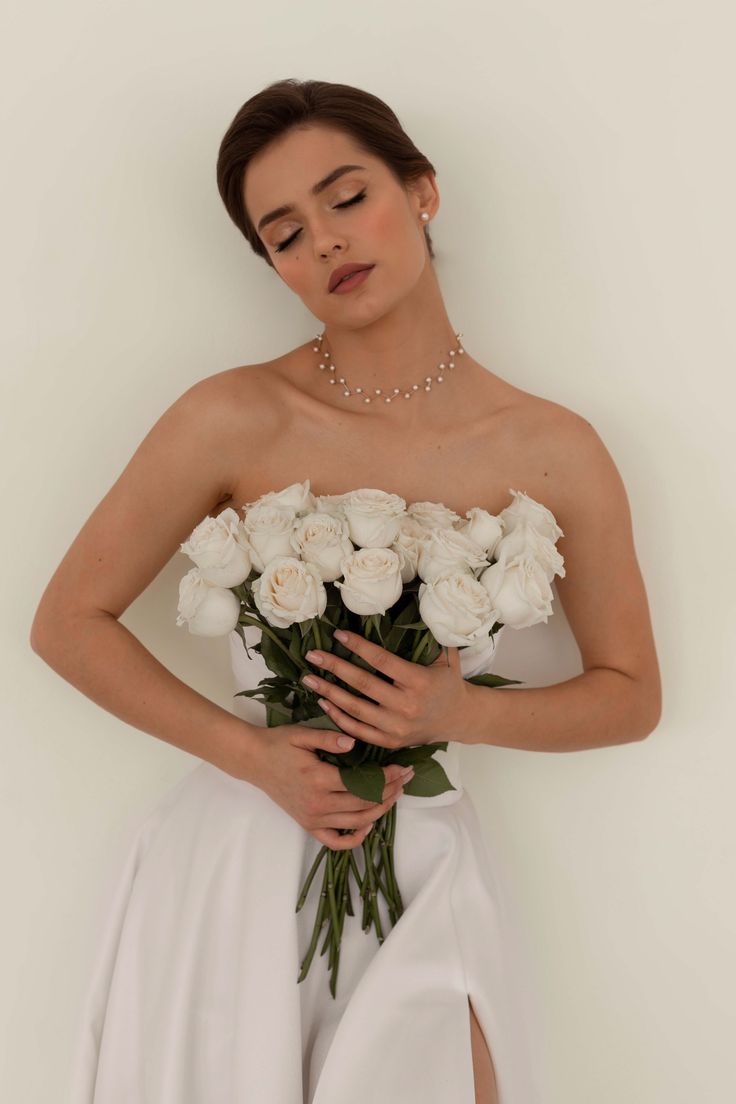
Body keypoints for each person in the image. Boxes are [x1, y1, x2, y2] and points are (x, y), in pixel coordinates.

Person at [30, 78, 661, 1104]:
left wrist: (453, 713)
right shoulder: (233, 415)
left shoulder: (555, 451)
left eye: (346, 196)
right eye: (284, 232)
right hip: (241, 856)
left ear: (422, 191)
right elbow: (66, 623)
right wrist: (255, 759)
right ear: (272, 264)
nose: (324, 242)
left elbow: (631, 693)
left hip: (424, 851)